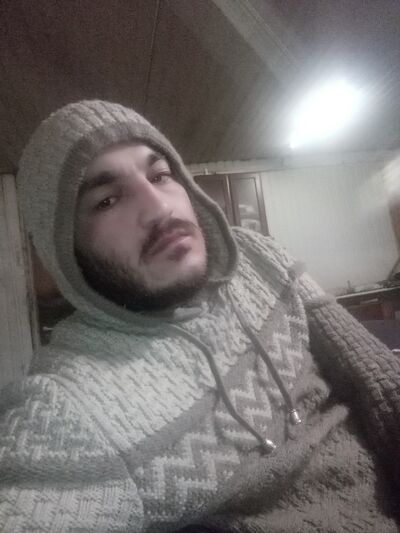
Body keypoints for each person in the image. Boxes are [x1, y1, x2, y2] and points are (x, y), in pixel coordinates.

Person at [0, 100, 399, 533]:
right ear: (66, 251)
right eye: (107, 200)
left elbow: (376, 376)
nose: (159, 209)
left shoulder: (256, 256)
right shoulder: (70, 406)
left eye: (160, 175)